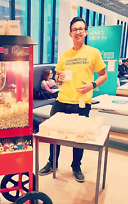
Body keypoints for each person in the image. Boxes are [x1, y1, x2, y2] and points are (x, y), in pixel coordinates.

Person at [39, 17, 108, 182]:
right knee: (54, 134)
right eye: (75, 29)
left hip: (81, 102)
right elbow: (57, 78)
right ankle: (52, 162)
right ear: (70, 33)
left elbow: (104, 75)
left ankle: (76, 166)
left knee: (79, 137)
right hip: (62, 100)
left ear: (85, 32)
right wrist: (58, 77)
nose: (78, 32)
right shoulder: (64, 55)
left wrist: (92, 85)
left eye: (81, 29)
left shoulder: (93, 52)